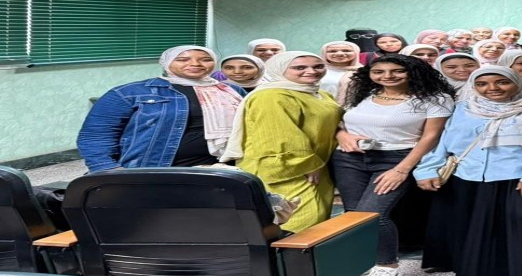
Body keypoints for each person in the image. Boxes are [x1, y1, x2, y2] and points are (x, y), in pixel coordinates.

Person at [413, 66, 522, 276]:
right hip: (470, 176)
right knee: (477, 227)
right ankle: (483, 270)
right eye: (482, 84)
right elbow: (446, 143)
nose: (492, 88)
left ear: (517, 82)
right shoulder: (464, 108)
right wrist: (427, 169)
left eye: (502, 82)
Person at [335, 55, 454, 276]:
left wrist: (402, 169)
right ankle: (365, 261)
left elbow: (431, 136)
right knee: (353, 214)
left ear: (413, 71)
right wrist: (342, 135)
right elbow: (341, 122)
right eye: (379, 71)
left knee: (373, 214)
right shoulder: (363, 92)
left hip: (396, 158)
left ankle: (387, 266)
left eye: (397, 71)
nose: (387, 76)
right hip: (349, 158)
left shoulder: (436, 98)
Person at [79, 45, 247, 171]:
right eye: (183, 59)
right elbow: (96, 135)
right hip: (155, 168)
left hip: (223, 167)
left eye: (205, 59)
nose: (195, 64)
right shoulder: (129, 93)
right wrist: (106, 168)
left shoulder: (231, 90)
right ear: (166, 62)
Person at [226, 51, 342, 232]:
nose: (311, 71)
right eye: (299, 67)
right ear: (279, 69)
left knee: (318, 222)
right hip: (287, 168)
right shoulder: (271, 96)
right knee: (297, 223)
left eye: (318, 66)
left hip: (318, 165)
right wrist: (307, 164)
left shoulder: (319, 93)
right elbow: (279, 136)